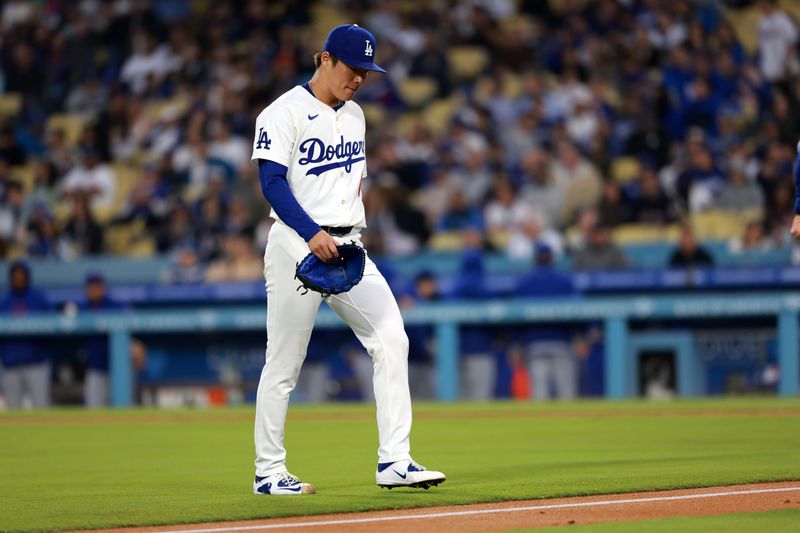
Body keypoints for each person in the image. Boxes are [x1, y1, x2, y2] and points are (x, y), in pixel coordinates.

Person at [250, 24, 445, 495]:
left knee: (392, 339)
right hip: (298, 242)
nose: (358, 78)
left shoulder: (355, 115)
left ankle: (395, 461)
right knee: (285, 363)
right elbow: (272, 182)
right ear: (324, 60)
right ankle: (268, 472)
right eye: (352, 68)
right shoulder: (283, 112)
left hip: (347, 245)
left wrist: (342, 229)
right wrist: (310, 231)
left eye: (366, 71)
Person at [0, 260, 52, 408]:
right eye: (15, 274)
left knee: (41, 408)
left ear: (27, 276)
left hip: (36, 363)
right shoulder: (3, 300)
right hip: (10, 365)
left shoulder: (39, 298)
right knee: (12, 411)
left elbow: (53, 326)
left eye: (21, 274)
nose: (18, 277)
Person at [78, 271, 125, 407]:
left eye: (98, 286)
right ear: (86, 289)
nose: (95, 290)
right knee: (93, 409)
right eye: (91, 287)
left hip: (117, 368)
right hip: (95, 368)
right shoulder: (81, 308)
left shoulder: (115, 307)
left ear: (104, 287)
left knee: (121, 409)